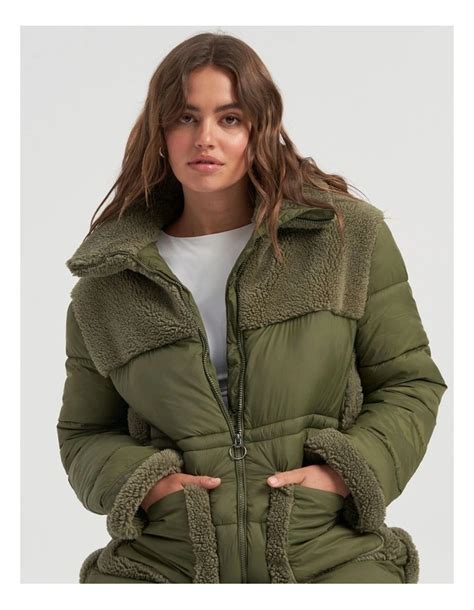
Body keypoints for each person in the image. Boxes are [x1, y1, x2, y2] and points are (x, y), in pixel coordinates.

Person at [57, 32, 448, 584]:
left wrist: (344, 474)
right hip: (165, 563)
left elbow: (409, 383)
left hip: (326, 553)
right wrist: (148, 485)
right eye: (186, 117)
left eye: (230, 118)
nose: (206, 138)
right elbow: (84, 431)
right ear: (160, 132)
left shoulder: (342, 238)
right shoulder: (111, 278)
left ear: (260, 127)